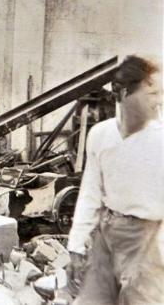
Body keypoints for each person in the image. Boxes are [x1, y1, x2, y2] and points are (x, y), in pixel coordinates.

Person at [67, 55, 164, 304]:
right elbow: (91, 192)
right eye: (150, 93)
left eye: (159, 93)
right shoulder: (100, 135)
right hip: (108, 233)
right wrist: (77, 244)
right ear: (122, 93)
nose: (159, 101)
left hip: (149, 240)